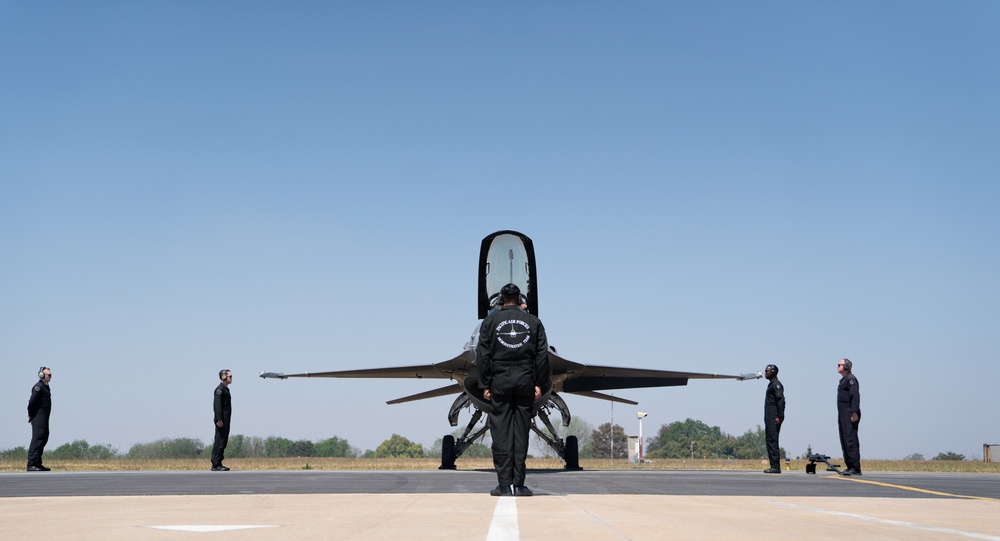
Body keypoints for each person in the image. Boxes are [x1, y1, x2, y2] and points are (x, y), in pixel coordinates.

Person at [477, 283, 551, 497]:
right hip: (525, 380)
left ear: (501, 299)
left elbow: (483, 355)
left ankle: (503, 486)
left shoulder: (490, 321)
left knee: (500, 433)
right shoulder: (534, 322)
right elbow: (542, 355)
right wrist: (539, 383)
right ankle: (519, 485)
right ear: (520, 300)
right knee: (521, 433)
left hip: (499, 381)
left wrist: (485, 384)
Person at [836, 358, 862, 475]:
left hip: (849, 414)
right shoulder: (843, 380)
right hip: (843, 414)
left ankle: (855, 467)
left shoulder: (851, 379)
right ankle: (849, 466)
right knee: (844, 440)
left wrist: (854, 412)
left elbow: (854, 396)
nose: (837, 366)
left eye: (839, 365)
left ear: (846, 366)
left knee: (850, 439)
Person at [26, 367, 53, 472]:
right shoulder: (38, 387)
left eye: (51, 375)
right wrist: (30, 414)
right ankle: (31, 464)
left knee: (44, 437)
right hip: (38, 417)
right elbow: (32, 402)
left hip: (44, 417)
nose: (50, 377)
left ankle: (38, 463)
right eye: (48, 375)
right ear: (41, 375)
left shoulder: (45, 387)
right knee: (37, 439)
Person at [762, 364, 785, 474]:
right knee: (769, 441)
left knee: (773, 441)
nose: (765, 372)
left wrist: (780, 416)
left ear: (773, 372)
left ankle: (776, 466)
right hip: (769, 418)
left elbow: (781, 401)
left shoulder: (776, 385)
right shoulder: (771, 385)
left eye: (767, 371)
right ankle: (773, 465)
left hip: (774, 419)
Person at [211, 369, 233, 471]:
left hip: (226, 419)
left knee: (223, 441)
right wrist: (219, 419)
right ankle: (215, 464)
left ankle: (219, 462)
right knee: (219, 441)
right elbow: (217, 406)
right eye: (229, 376)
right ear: (224, 377)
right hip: (222, 419)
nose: (231, 378)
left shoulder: (225, 389)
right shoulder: (219, 390)